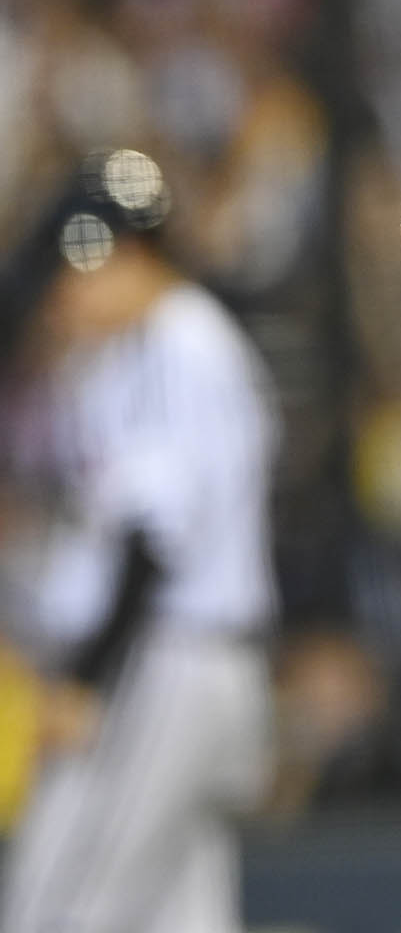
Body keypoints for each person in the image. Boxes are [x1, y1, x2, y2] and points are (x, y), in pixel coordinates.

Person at [0, 148, 278, 933]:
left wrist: (85, 681)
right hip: (192, 658)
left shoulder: (176, 344)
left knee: (66, 908)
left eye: (78, 272)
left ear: (128, 258)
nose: (63, 297)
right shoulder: (147, 348)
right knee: (180, 913)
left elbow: (151, 539)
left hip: (166, 660)